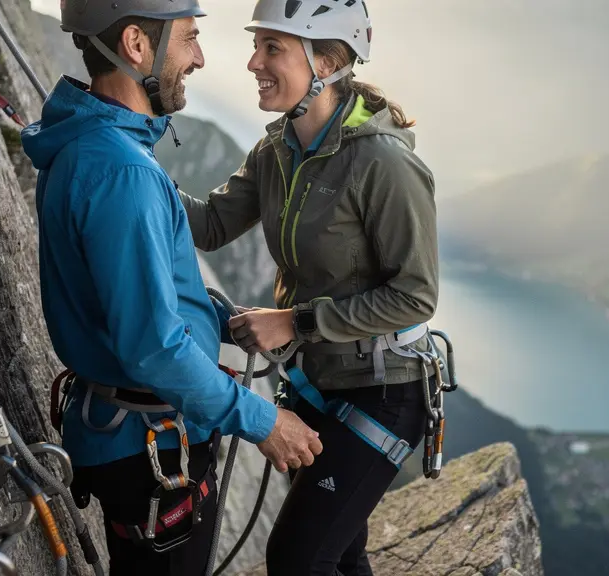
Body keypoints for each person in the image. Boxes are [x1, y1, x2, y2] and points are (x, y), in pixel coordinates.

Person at [20, 1, 322, 574]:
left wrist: (211, 312)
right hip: (150, 449)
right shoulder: (122, 172)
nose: (200, 57)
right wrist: (263, 422)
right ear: (137, 45)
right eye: (188, 38)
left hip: (135, 438)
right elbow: (154, 347)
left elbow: (128, 293)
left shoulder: (96, 148)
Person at [180, 1, 439, 573]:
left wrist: (294, 322)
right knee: (340, 555)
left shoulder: (382, 164)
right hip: (318, 384)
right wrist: (129, 167)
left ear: (325, 63)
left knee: (297, 557)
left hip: (385, 391)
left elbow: (416, 295)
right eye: (259, 45)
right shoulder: (278, 151)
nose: (253, 62)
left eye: (273, 47)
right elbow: (212, 225)